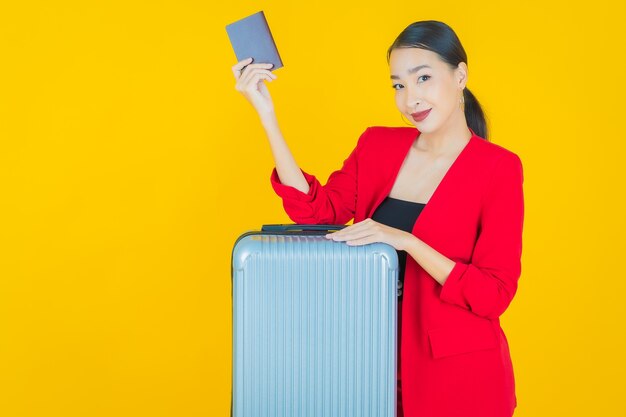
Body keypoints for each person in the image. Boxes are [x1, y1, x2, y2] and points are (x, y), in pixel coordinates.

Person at [231, 20, 524, 417]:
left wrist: (408, 242)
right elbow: (316, 212)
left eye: (423, 78)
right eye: (399, 85)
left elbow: (494, 293)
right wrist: (267, 116)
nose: (410, 99)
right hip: (369, 368)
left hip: (458, 380)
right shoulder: (377, 145)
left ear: (460, 76)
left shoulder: (498, 168)